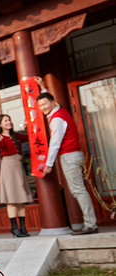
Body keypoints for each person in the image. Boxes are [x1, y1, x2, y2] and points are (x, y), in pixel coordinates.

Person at [35, 77, 98, 235]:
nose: (42, 108)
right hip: (73, 154)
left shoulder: (57, 119)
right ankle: (90, 222)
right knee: (79, 189)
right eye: (40, 105)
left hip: (69, 156)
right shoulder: (59, 110)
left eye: (44, 104)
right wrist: (42, 87)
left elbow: (55, 143)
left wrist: (48, 165)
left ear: (52, 102)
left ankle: (91, 224)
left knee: (78, 190)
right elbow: (47, 98)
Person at [0, 114, 32, 237]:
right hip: (8, 167)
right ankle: (14, 228)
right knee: (11, 199)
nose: (8, 122)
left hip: (18, 166)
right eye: (5, 120)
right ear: (0, 124)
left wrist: (28, 127)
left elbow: (29, 137)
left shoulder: (16, 136)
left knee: (21, 198)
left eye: (9, 120)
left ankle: (23, 227)